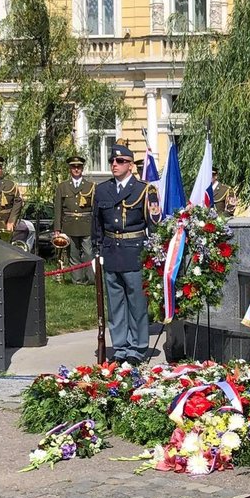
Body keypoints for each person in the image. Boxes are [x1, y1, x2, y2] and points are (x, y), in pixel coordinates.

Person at [92, 143, 162, 365]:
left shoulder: (144, 189)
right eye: (113, 161)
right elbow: (96, 224)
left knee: (136, 304)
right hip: (111, 252)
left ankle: (138, 348)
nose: (115, 164)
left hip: (135, 252)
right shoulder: (102, 190)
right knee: (115, 305)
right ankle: (120, 347)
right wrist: (96, 251)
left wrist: (153, 256)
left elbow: (153, 225)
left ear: (130, 165)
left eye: (120, 161)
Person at [53, 155, 96, 285]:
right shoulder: (62, 187)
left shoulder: (91, 186)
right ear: (70, 169)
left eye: (79, 167)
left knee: (88, 252)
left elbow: (94, 208)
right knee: (73, 253)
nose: (76, 169)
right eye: (74, 167)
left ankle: (91, 279)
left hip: (86, 224)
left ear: (82, 169)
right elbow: (58, 209)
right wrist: (57, 229)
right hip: (69, 225)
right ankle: (77, 280)